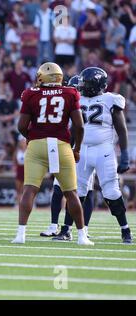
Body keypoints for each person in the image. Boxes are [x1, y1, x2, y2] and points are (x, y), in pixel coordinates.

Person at [12, 62, 93, 245]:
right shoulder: (70, 93)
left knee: (29, 190)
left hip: (37, 146)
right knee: (71, 193)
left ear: (41, 77)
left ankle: (20, 235)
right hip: (61, 145)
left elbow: (21, 126)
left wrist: (30, 137)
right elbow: (79, 126)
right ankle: (81, 237)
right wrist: (77, 148)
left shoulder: (31, 94)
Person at [67, 67, 133, 243]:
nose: (81, 86)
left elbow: (121, 128)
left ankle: (125, 230)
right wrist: (69, 148)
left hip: (103, 149)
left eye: (85, 83)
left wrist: (125, 154)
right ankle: (71, 231)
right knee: (77, 191)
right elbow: (74, 128)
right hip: (82, 149)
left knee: (111, 191)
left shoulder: (110, 99)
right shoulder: (78, 99)